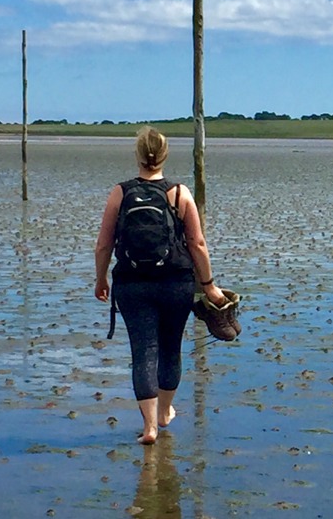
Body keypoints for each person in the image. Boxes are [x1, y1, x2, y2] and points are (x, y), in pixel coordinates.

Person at [94, 126, 225, 444]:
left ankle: (149, 427)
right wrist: (208, 285)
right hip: (176, 283)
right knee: (170, 349)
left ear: (138, 156)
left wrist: (100, 279)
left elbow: (103, 244)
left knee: (143, 352)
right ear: (164, 156)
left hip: (132, 285)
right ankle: (165, 411)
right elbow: (197, 243)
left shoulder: (120, 192)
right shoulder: (179, 193)